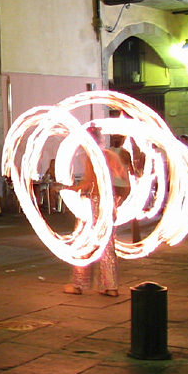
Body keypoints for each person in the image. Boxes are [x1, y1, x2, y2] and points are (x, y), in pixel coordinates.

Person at [62, 126, 129, 296]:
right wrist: (117, 200)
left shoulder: (93, 157)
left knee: (83, 243)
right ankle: (111, 286)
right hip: (110, 202)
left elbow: (88, 183)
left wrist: (70, 188)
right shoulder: (111, 155)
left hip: (95, 202)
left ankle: (79, 284)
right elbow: (125, 179)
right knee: (107, 244)